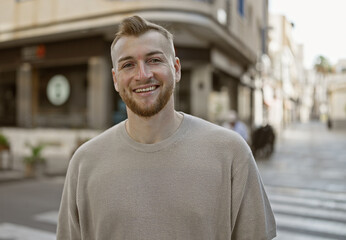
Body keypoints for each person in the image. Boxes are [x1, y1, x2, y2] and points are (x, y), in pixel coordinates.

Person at [57, 15, 276, 240]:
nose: (142, 75)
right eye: (128, 64)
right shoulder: (85, 162)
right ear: (115, 79)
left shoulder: (230, 152)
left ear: (176, 69)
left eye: (154, 60)